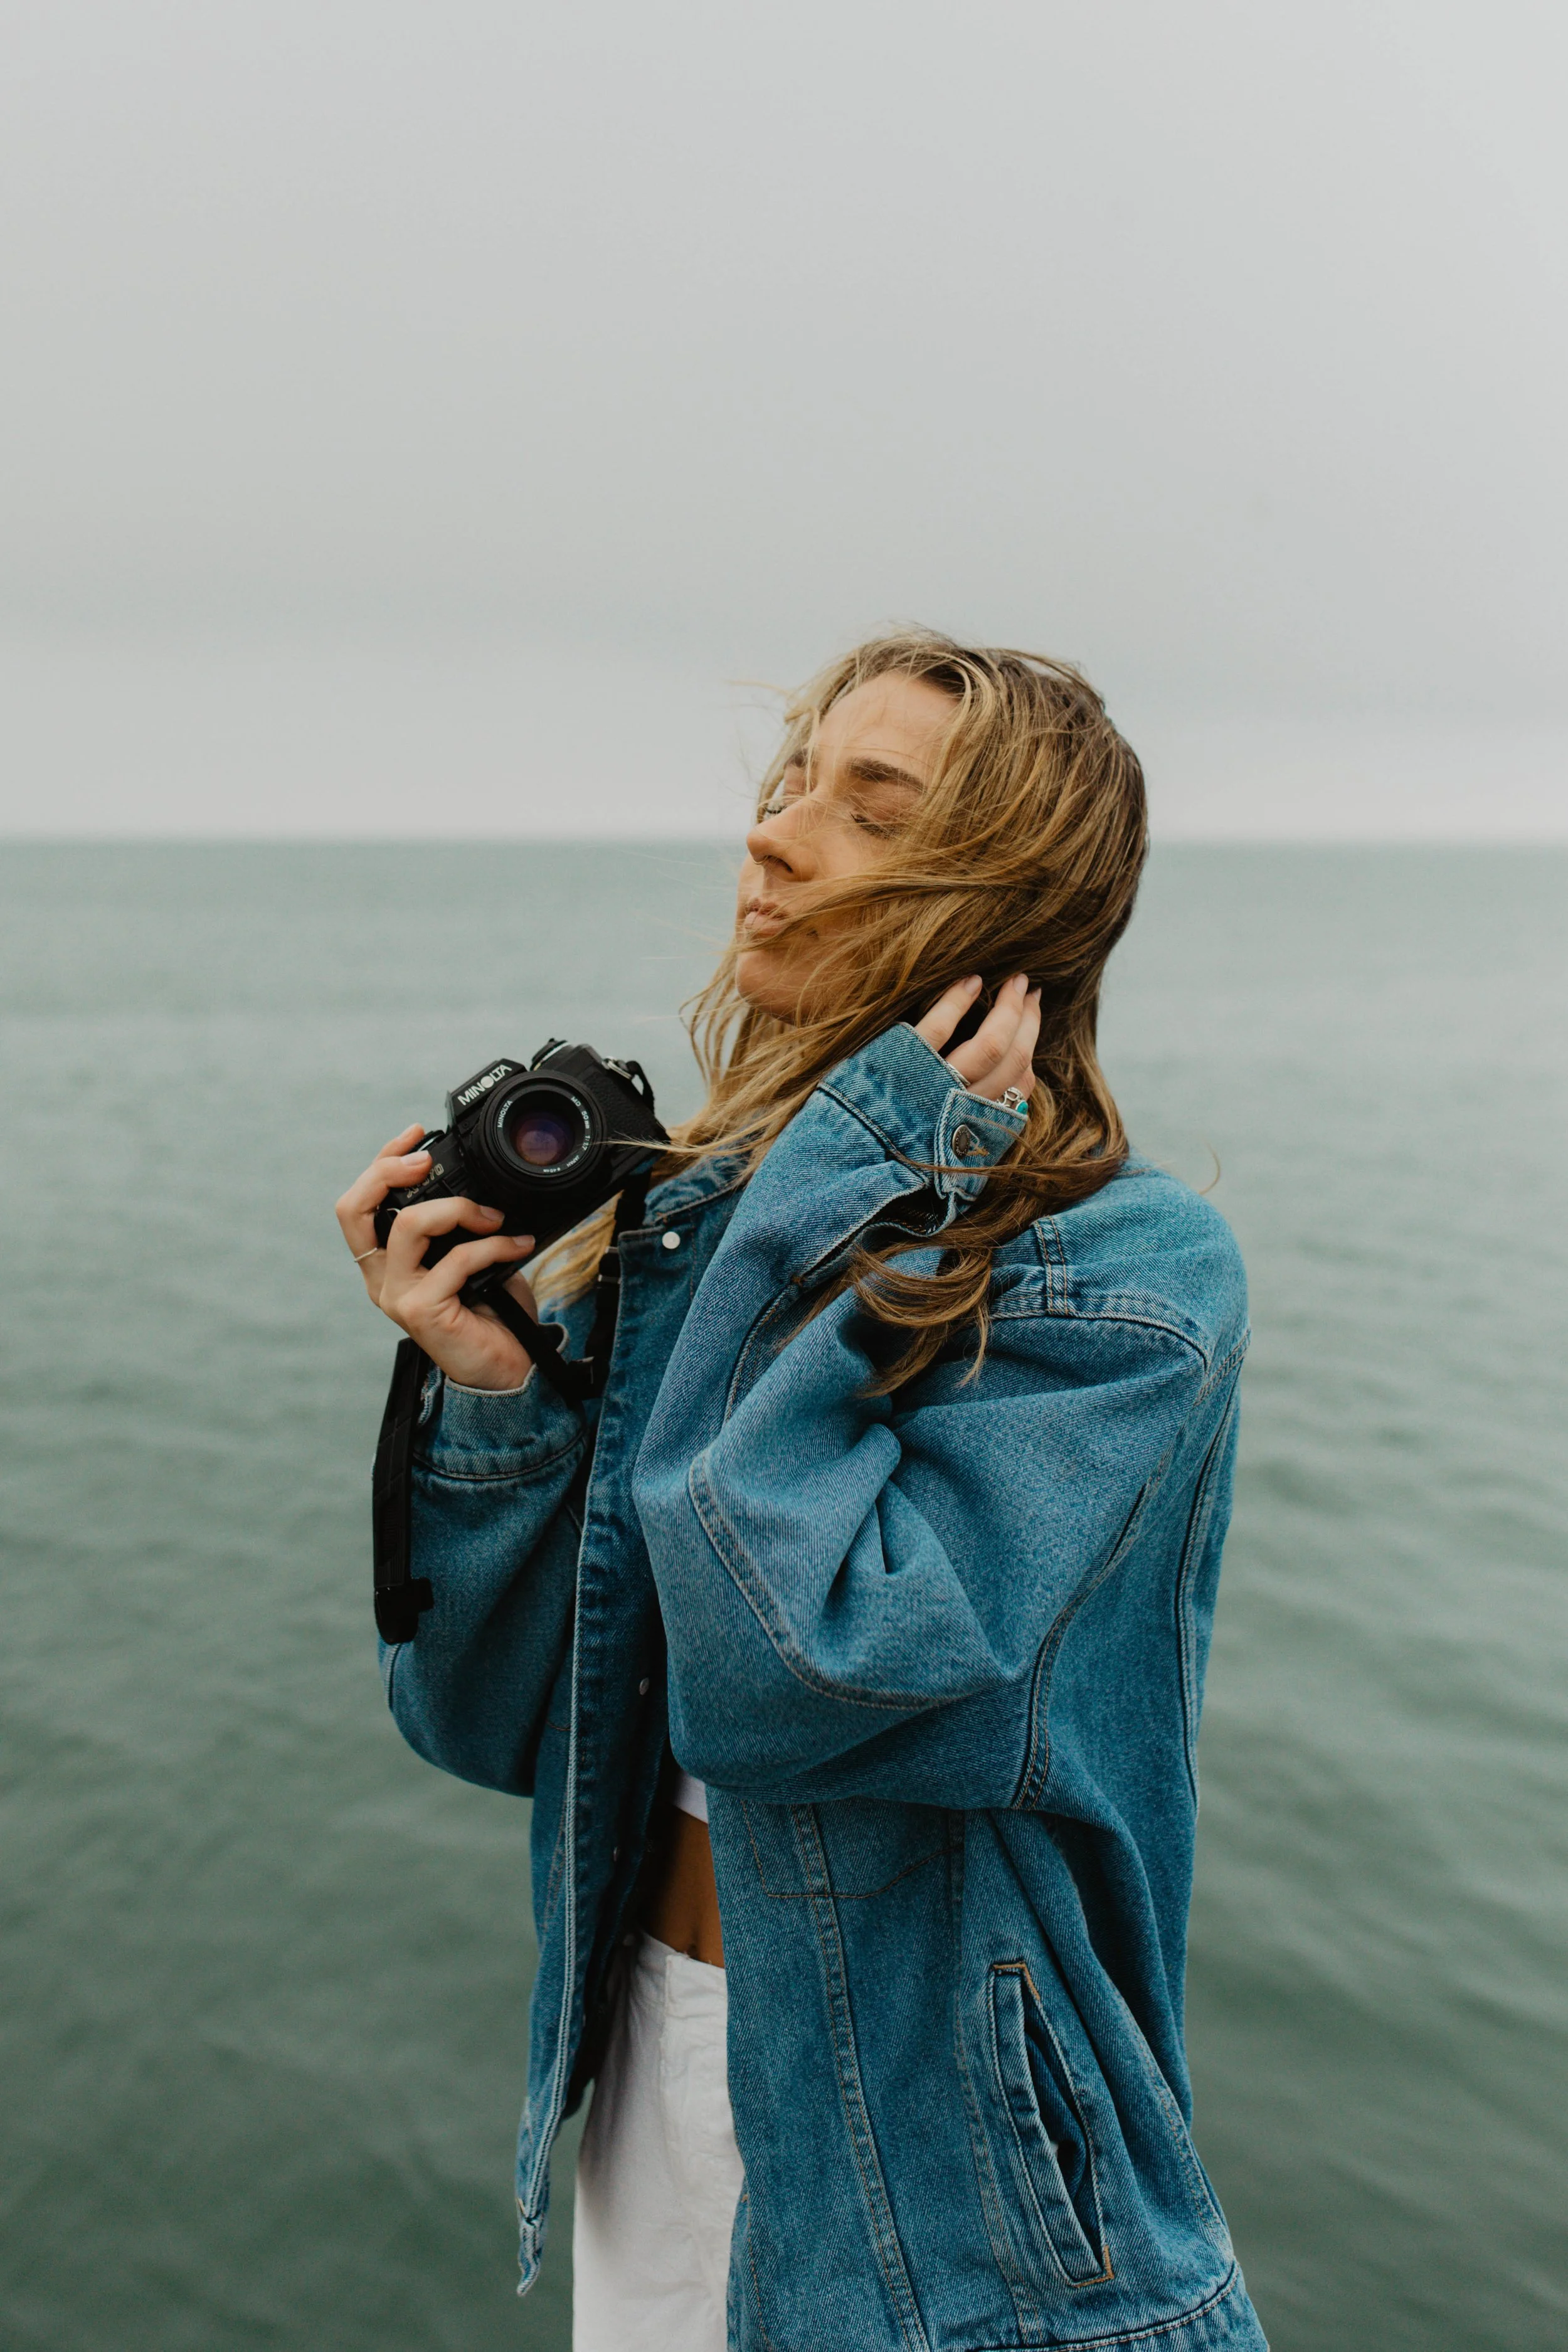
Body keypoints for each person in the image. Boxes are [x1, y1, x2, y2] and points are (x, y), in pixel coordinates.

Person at [335, 630, 1268, 2352]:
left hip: (934, 2127)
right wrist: (498, 1404)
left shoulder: (1129, 1278)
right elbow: (488, 1724)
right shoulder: (707, 1225)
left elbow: (790, 1674)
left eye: (866, 807)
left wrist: (838, 1185)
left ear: (1003, 905)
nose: (769, 835)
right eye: (784, 785)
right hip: (641, 2065)